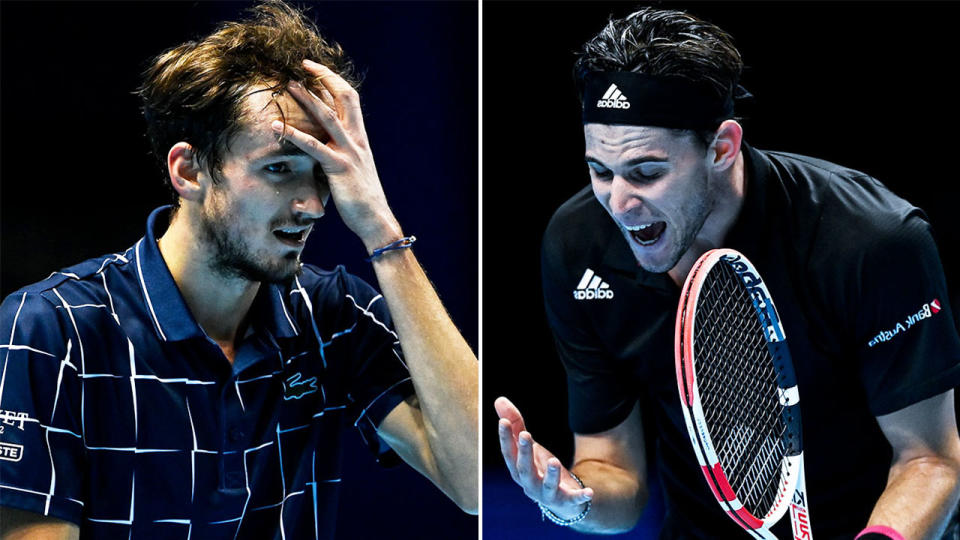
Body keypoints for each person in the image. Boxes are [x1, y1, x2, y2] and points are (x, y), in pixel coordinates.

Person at [0, 2, 477, 538]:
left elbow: (475, 482)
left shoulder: (332, 313)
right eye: (279, 169)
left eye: (324, 175)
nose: (314, 205)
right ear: (189, 170)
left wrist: (382, 232)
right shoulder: (51, 328)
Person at [496, 7, 960, 539]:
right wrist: (571, 499)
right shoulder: (577, 244)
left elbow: (931, 462)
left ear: (721, 148)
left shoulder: (870, 242)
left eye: (647, 172)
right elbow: (615, 472)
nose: (619, 203)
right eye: (600, 171)